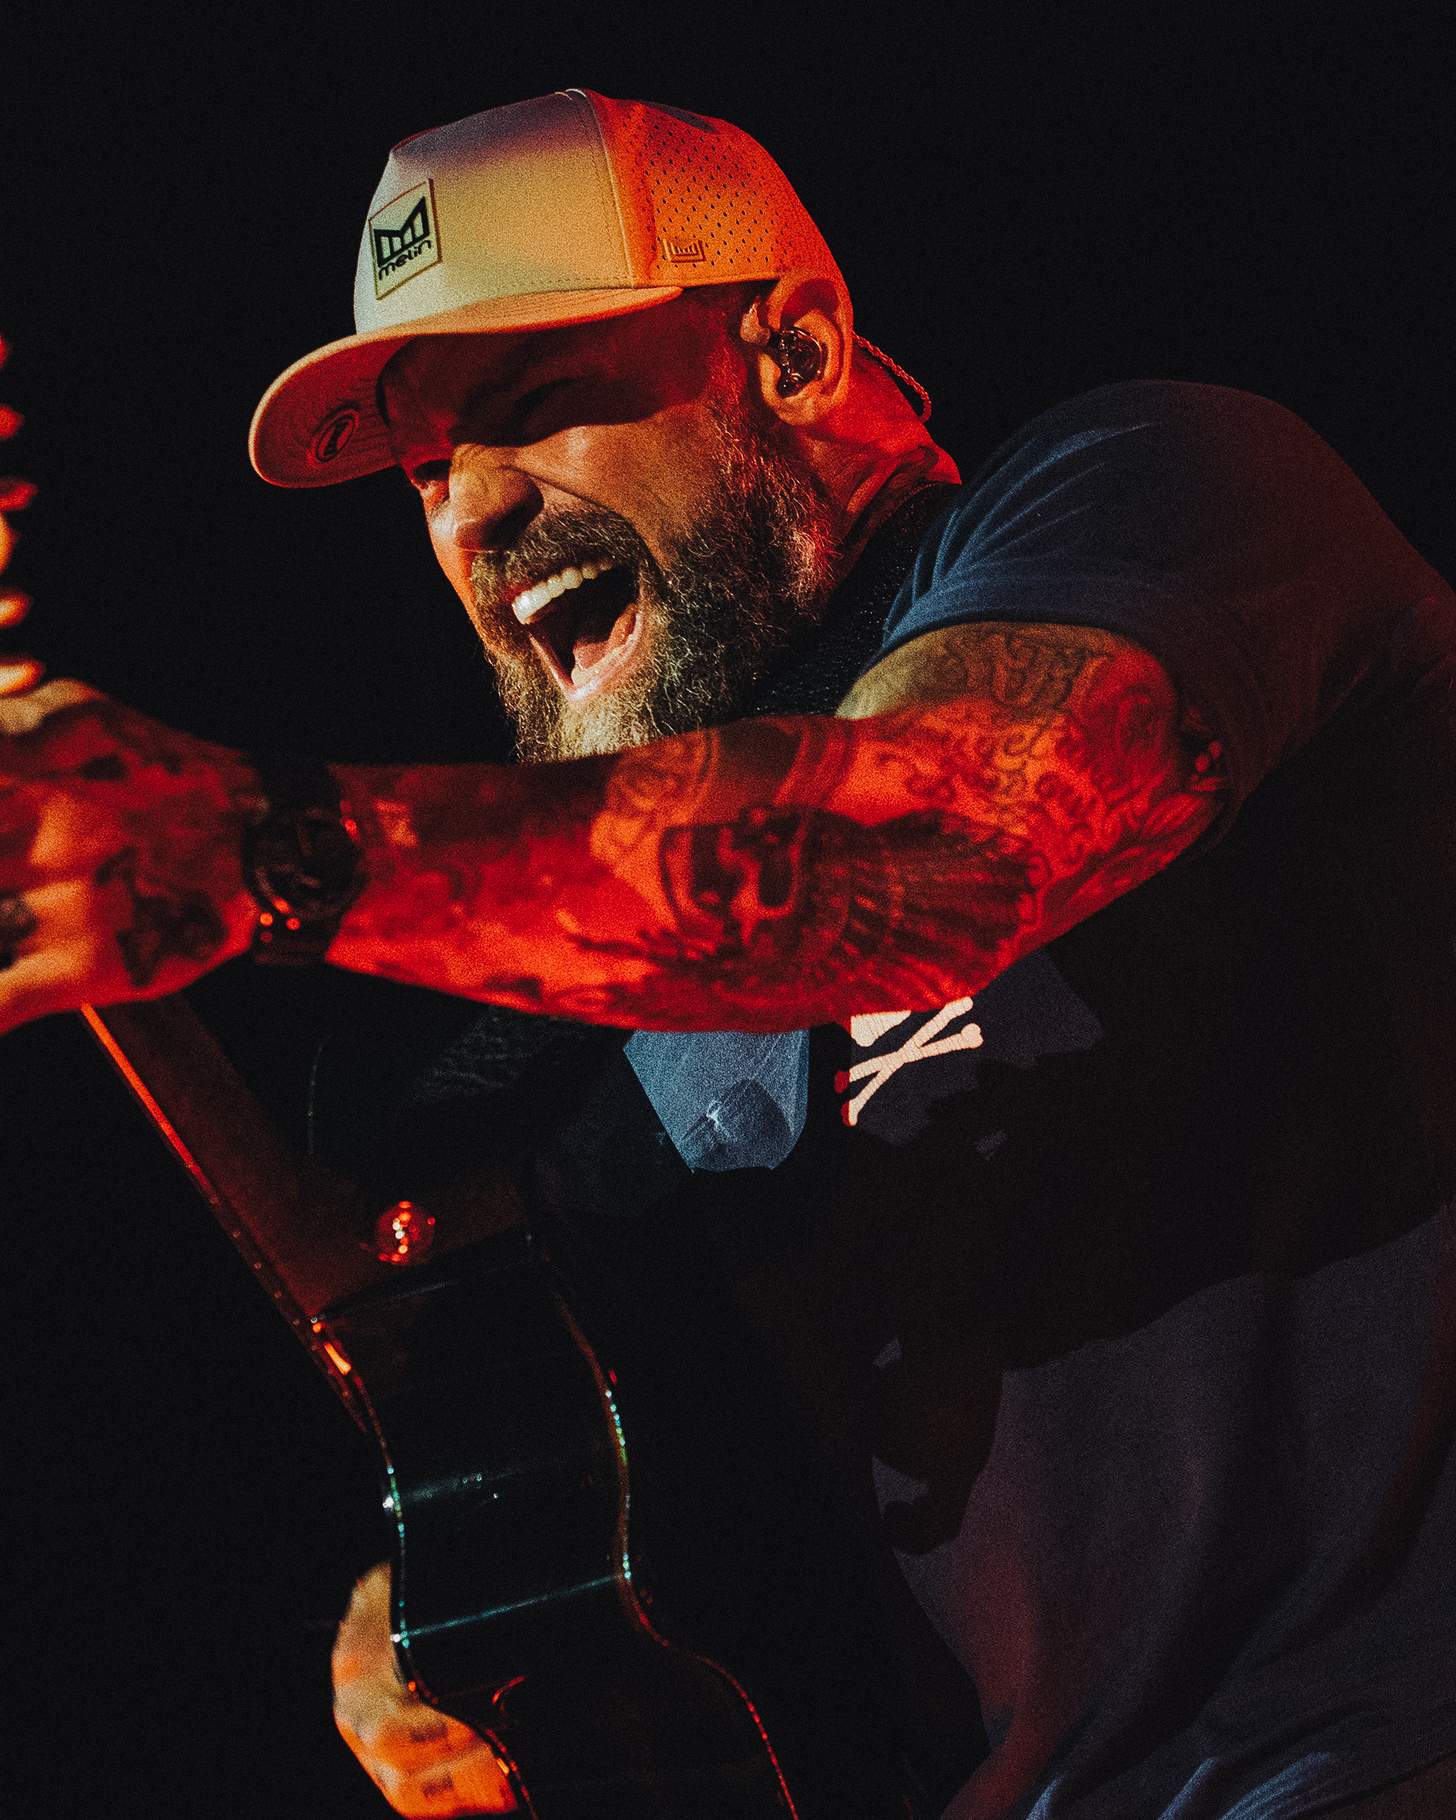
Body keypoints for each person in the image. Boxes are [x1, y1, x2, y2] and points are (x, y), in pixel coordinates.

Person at [2, 88, 1454, 1819]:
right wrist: (457, 1617)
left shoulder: (1161, 491)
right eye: (422, 468)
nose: (469, 513)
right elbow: (655, 1485)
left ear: (793, 348)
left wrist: (271, 849)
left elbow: (932, 839)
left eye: (529, 407)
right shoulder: (545, 1026)